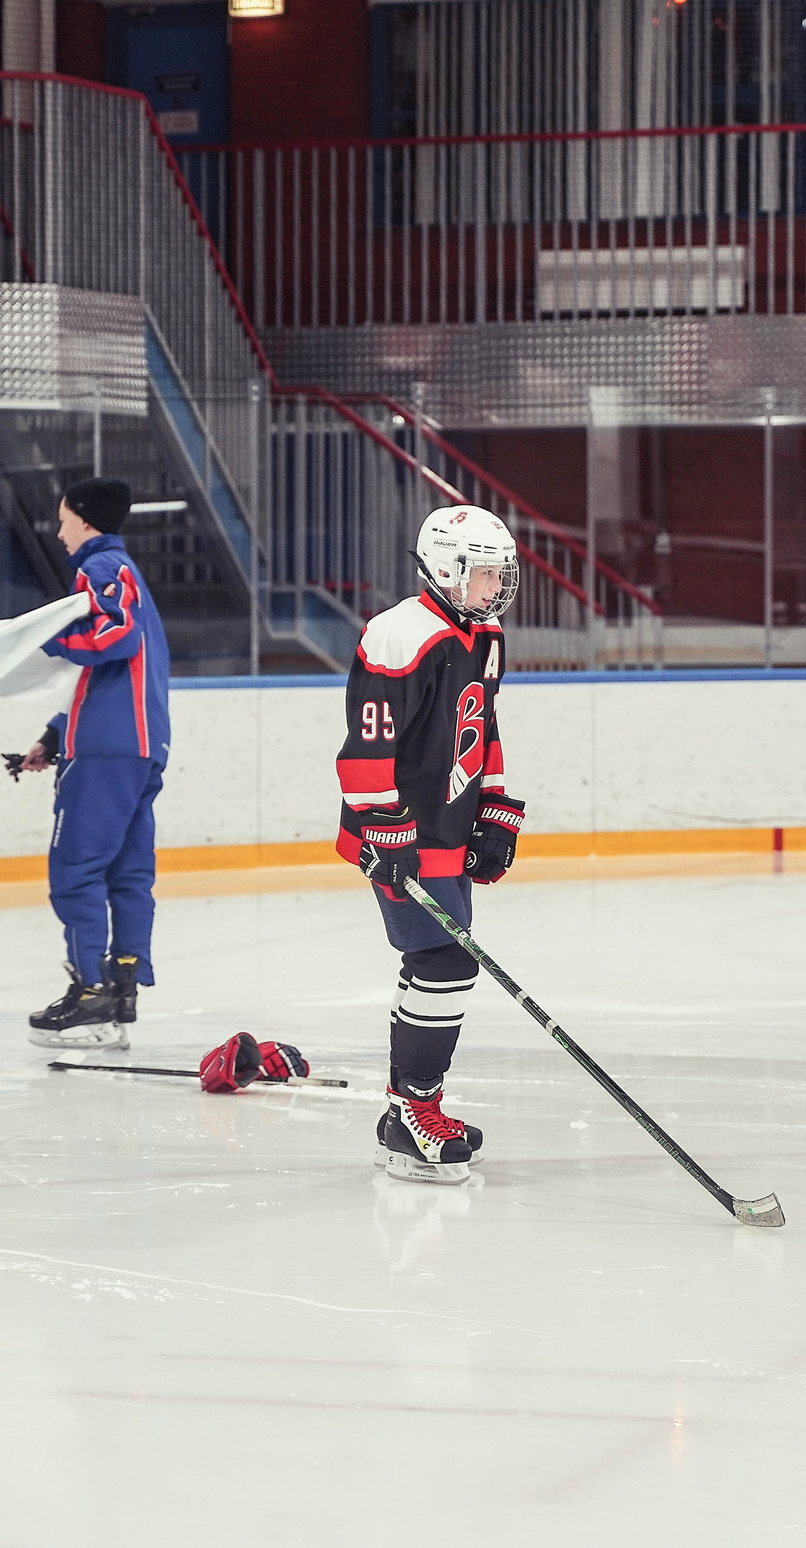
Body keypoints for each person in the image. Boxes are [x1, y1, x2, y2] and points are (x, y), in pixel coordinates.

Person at [336, 504, 526, 1184]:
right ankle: (416, 1109)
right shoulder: (398, 635)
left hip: (448, 828)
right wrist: (380, 825)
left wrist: (497, 807)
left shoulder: (485, 632)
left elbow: (485, 721)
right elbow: (366, 746)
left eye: (501, 573)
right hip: (401, 836)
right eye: (484, 573)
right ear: (446, 568)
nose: (496, 585)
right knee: (446, 963)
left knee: (435, 965)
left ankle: (402, 1112)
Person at [13, 475, 171, 1050]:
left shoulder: (98, 568)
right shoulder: (129, 576)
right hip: (139, 746)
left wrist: (49, 639)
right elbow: (119, 669)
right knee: (128, 872)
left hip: (106, 748)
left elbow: (116, 639)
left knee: (75, 870)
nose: (58, 532)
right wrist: (55, 736)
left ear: (84, 519)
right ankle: (122, 984)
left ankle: (89, 992)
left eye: (62, 520)